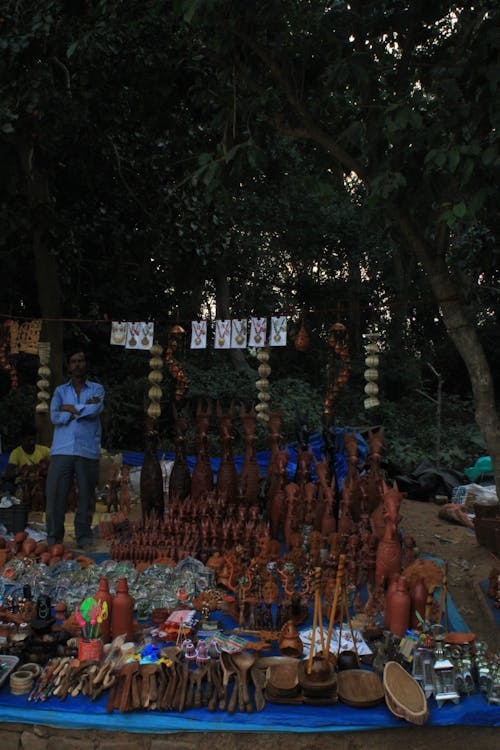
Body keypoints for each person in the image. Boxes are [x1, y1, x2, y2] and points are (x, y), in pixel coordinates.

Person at [45, 349, 104, 550]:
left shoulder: (97, 389)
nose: (77, 364)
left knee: (86, 497)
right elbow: (53, 416)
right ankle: (54, 539)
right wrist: (80, 408)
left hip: (87, 450)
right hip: (61, 450)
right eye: (73, 361)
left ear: (86, 364)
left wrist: (69, 408)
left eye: (81, 361)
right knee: (55, 496)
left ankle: (84, 538)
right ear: (69, 366)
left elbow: (94, 410)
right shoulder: (60, 391)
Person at [1, 426, 50, 495]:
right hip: (23, 485)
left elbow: (57, 461)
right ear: (22, 440)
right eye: (29, 440)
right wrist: (25, 470)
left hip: (41, 482)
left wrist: (45, 466)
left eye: (34, 440)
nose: (32, 443)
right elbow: (8, 474)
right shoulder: (16, 453)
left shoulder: (44, 450)